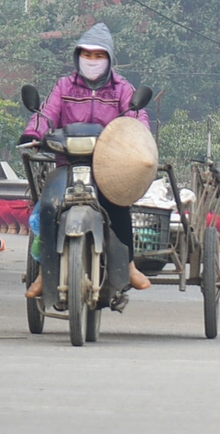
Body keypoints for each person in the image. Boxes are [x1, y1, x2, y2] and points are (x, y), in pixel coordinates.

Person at [23, 22, 153, 298]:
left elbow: (135, 116)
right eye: (87, 55)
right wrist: (33, 132)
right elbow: (47, 114)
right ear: (78, 57)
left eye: (99, 55)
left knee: (119, 207)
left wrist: (139, 135)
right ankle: (45, 272)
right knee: (48, 206)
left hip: (108, 167)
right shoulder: (63, 86)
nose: (92, 61)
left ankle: (128, 266)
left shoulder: (122, 89)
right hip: (67, 164)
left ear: (109, 58)